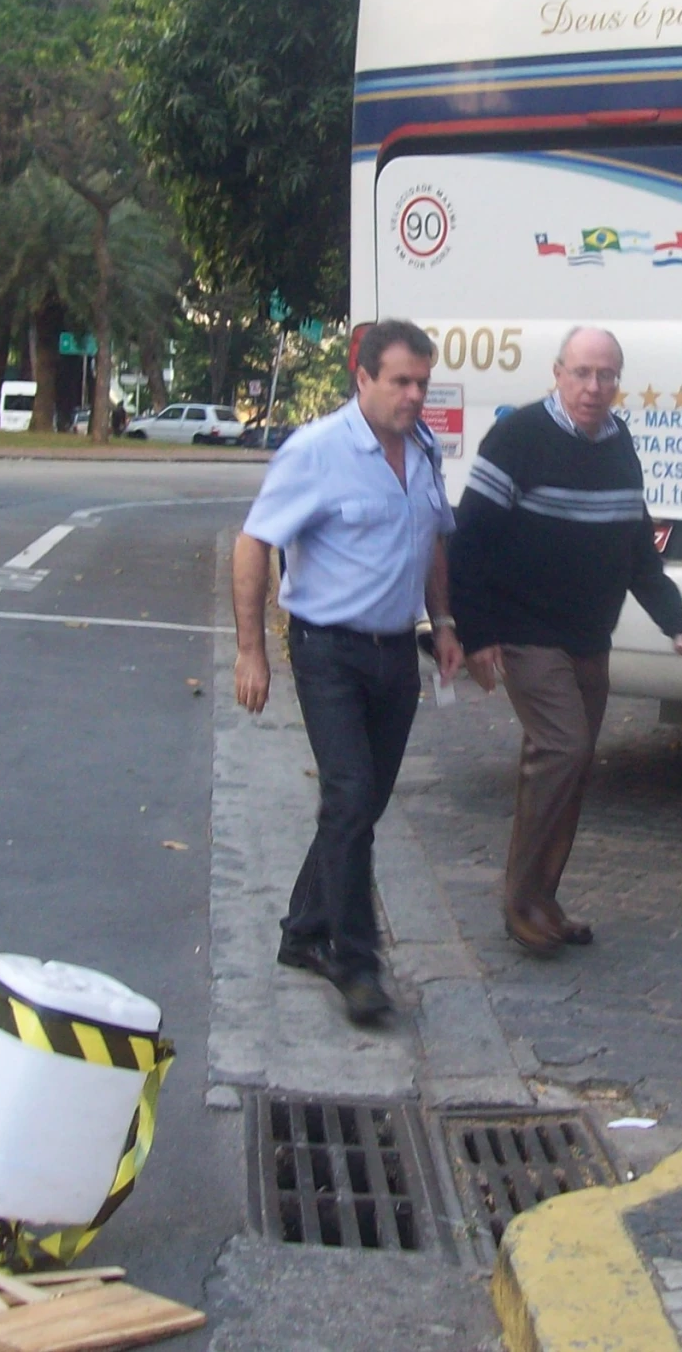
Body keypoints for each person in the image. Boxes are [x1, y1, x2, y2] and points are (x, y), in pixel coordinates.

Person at [233, 321, 464, 1025]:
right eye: (400, 381)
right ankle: (354, 959)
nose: (414, 394)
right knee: (351, 793)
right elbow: (253, 546)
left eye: (422, 382)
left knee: (360, 804)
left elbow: (429, 541)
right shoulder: (317, 452)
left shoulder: (422, 451)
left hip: (394, 651)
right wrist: (252, 651)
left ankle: (303, 931)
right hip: (327, 648)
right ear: (361, 377)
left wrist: (444, 622)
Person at [449, 327, 682, 956]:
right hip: (526, 630)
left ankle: (543, 898)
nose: (593, 387)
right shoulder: (519, 438)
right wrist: (474, 633)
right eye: (582, 373)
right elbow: (470, 539)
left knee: (575, 764)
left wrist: (673, 616)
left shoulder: (621, 447)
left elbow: (636, 545)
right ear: (557, 372)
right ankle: (520, 902)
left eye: (606, 375)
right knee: (563, 746)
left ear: (618, 381)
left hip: (590, 635)